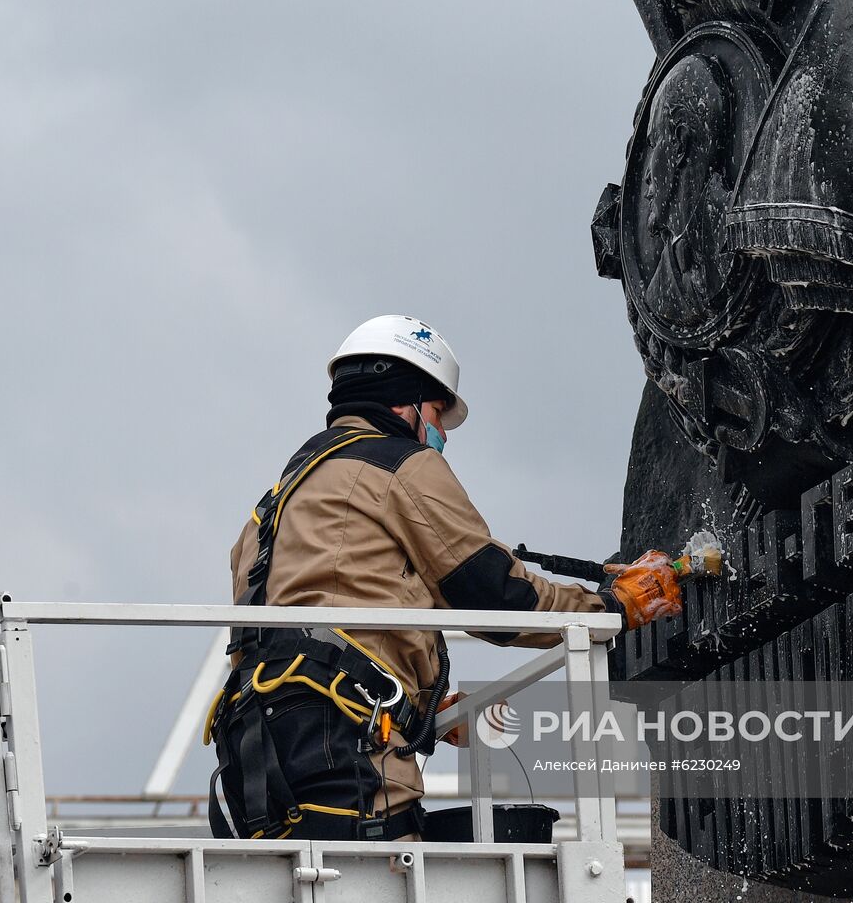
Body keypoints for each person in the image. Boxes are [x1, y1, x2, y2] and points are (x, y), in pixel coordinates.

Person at [207, 314, 683, 842]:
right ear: (404, 399)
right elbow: (495, 598)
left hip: (256, 749)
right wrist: (614, 607)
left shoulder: (270, 510)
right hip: (341, 749)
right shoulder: (397, 465)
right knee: (382, 878)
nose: (437, 432)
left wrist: (425, 711)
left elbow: (337, 621)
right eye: (435, 411)